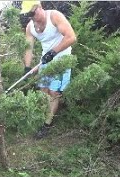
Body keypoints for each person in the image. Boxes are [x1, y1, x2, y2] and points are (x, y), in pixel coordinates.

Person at [19, 1, 77, 139]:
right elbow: (28, 48)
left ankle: (47, 124)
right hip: (45, 60)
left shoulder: (54, 16)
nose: (31, 17)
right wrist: (27, 67)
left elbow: (71, 37)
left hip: (62, 59)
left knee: (54, 92)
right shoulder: (30, 27)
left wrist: (53, 52)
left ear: (40, 7)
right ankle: (41, 117)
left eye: (33, 13)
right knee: (43, 90)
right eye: (29, 15)